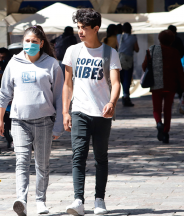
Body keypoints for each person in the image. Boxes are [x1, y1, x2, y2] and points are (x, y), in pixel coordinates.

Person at [0, 25, 64, 215]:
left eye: (35, 41)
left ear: (42, 43)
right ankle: (21, 200)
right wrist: (0, 119)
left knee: (42, 163)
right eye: (27, 41)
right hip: (19, 121)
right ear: (22, 43)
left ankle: (41, 201)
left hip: (44, 121)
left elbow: (59, 96)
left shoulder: (51, 64)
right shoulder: (14, 63)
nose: (31, 44)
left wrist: (58, 126)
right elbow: (4, 93)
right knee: (22, 161)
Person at [62, 9, 121, 215]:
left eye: (84, 28)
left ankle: (99, 200)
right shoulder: (73, 51)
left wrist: (112, 102)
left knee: (100, 157)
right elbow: (67, 84)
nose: (80, 31)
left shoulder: (109, 53)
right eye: (78, 27)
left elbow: (115, 82)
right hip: (79, 111)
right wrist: (65, 112)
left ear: (96, 29)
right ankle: (78, 199)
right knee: (78, 156)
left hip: (102, 114)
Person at [142, 30, 184, 144]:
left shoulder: (152, 50)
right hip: (170, 85)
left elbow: (144, 66)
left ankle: (158, 123)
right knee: (167, 110)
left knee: (156, 108)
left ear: (160, 39)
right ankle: (165, 133)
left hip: (156, 85)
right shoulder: (175, 52)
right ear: (172, 40)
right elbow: (180, 71)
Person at [117, 22, 139, 107]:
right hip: (129, 60)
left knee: (122, 79)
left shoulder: (118, 37)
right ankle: (126, 97)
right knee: (127, 78)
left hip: (120, 60)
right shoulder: (133, 38)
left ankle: (124, 94)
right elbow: (137, 49)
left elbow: (119, 47)